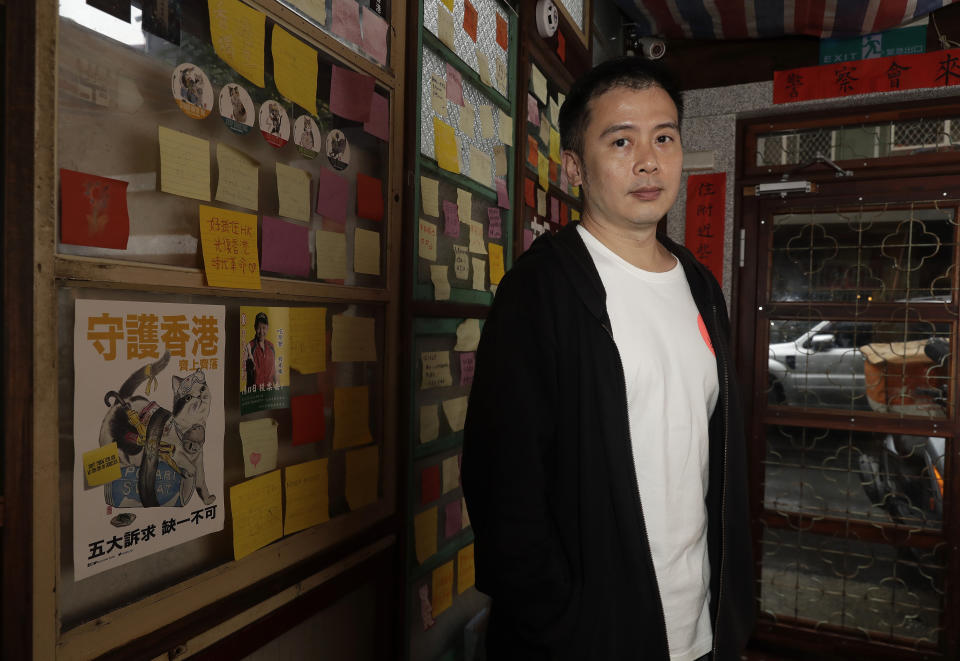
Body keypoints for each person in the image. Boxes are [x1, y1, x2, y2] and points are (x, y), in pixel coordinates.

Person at [461, 57, 754, 661]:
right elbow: (501, 482)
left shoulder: (701, 287)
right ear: (573, 166)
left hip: (697, 624)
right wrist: (559, 621)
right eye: (621, 140)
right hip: (589, 635)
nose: (648, 160)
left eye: (664, 138)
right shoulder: (541, 290)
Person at [243, 311, 276, 388]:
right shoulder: (249, 346)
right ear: (255, 327)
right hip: (256, 394)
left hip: (270, 391)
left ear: (267, 328)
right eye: (259, 328)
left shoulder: (271, 346)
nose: (261, 331)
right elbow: (247, 372)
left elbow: (275, 371)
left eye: (264, 328)